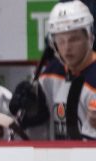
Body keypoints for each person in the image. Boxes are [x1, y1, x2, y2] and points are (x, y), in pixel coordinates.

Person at [10, 0, 96, 140]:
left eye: (74, 39)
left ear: (89, 37)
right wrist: (28, 111)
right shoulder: (52, 72)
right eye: (61, 41)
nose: (67, 48)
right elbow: (36, 127)